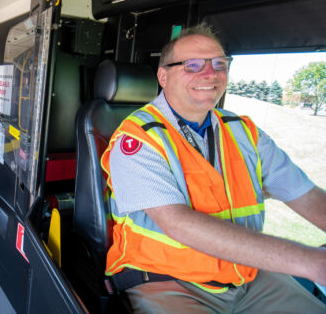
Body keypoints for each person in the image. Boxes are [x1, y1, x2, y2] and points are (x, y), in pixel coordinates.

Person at [102, 24, 326, 313]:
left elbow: (305, 195)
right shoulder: (137, 138)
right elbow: (178, 224)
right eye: (192, 65)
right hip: (168, 279)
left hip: (246, 276)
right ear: (163, 76)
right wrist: (313, 263)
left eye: (219, 64)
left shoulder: (244, 131)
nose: (210, 73)